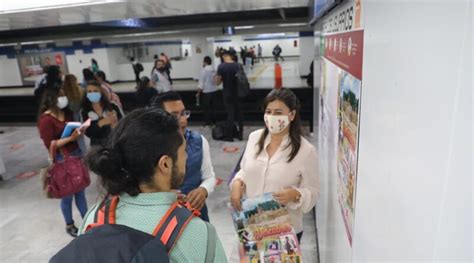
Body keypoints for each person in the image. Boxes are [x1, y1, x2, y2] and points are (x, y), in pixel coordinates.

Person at [79, 108, 227, 262]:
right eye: (183, 151)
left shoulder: (94, 218)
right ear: (165, 164)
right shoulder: (198, 234)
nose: (187, 156)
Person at [230, 88, 320, 243]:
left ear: (291, 115)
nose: (271, 117)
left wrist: (295, 194)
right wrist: (237, 183)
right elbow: (245, 170)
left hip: (284, 232)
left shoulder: (306, 151)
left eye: (278, 113)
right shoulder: (254, 138)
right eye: (268, 111)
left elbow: (314, 192)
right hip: (252, 227)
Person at [151, 92, 217, 222]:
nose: (182, 120)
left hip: (196, 216)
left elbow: (209, 176)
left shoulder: (199, 141)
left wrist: (203, 190)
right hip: (162, 219)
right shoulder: (148, 146)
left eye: (183, 113)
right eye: (174, 115)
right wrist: (162, 196)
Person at [37, 87, 88, 237]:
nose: (63, 98)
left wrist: (79, 132)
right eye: (60, 95)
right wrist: (70, 139)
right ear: (51, 99)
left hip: (75, 154)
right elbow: (50, 144)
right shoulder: (46, 120)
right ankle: (69, 224)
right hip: (61, 159)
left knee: (80, 191)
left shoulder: (66, 113)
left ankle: (86, 220)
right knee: (67, 194)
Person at [81, 81, 122, 146]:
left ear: (101, 93)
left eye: (95, 91)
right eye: (89, 92)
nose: (92, 93)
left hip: (114, 142)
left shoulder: (113, 107)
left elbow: (122, 124)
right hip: (96, 146)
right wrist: (101, 123)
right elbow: (88, 132)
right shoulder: (84, 111)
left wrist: (114, 122)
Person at [215, 50, 244, 141]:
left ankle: (230, 136)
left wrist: (216, 77)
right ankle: (240, 135)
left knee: (230, 115)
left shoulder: (221, 66)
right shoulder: (238, 65)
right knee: (239, 114)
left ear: (225, 56)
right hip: (238, 93)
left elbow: (217, 82)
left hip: (227, 93)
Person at [62, 74, 87, 153]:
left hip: (67, 117)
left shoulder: (63, 92)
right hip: (78, 116)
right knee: (80, 137)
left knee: (69, 137)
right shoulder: (82, 90)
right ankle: (83, 153)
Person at [198, 56, 218, 126]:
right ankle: (214, 121)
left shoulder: (204, 70)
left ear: (205, 62)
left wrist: (198, 92)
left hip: (206, 92)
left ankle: (208, 122)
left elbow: (201, 83)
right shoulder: (214, 70)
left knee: (206, 108)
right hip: (214, 90)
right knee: (213, 107)